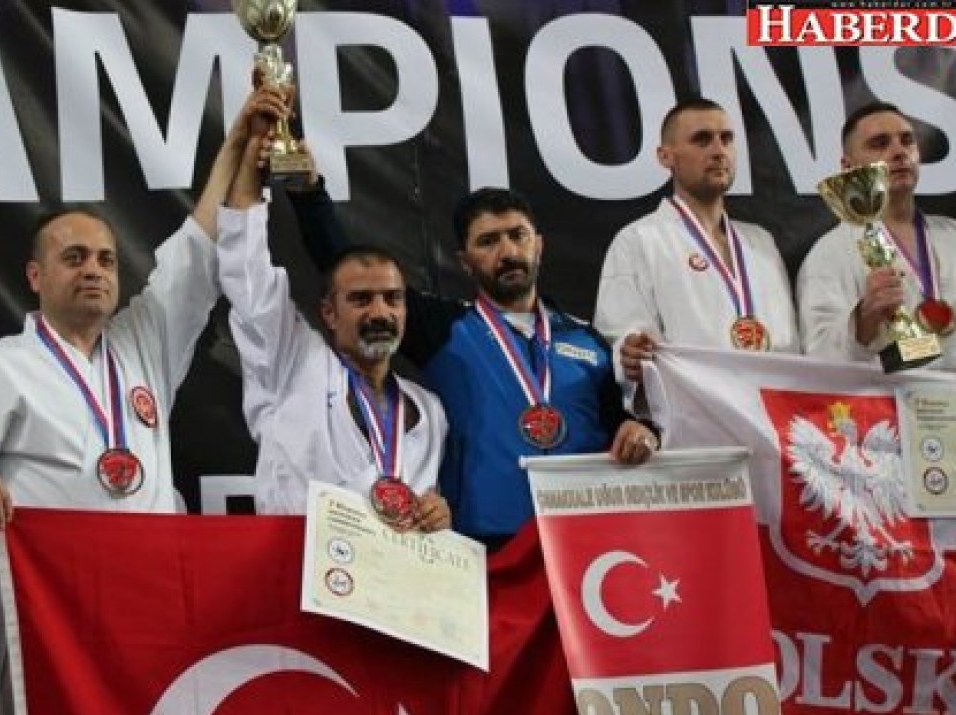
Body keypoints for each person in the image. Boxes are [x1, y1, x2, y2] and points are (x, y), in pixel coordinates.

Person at [0, 87, 285, 532]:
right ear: (36, 276)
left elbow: (196, 248)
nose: (93, 270)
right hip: (54, 573)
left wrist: (237, 144)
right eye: (74, 258)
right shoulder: (2, 367)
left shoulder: (144, 342)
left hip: (149, 567)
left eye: (105, 260)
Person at [287, 183, 657, 549]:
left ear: (539, 246)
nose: (508, 252)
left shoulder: (586, 340)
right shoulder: (443, 328)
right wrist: (308, 193)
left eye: (518, 236)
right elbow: (345, 263)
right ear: (464, 261)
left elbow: (620, 422)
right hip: (484, 547)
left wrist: (641, 431)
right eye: (488, 241)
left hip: (580, 543)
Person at [217, 120, 450, 530]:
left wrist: (438, 513)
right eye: (360, 299)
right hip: (299, 565)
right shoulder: (292, 366)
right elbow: (247, 271)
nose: (379, 312)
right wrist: (253, 156)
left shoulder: (429, 411)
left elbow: (430, 506)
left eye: (392, 298)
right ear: (329, 312)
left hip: (398, 570)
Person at [594, 97, 799, 403]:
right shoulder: (639, 240)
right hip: (694, 417)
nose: (719, 150)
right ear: (666, 156)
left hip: (773, 417)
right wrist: (630, 354)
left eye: (726, 139)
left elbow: (790, 346)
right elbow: (622, 337)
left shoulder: (761, 243)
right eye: (702, 140)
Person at [798, 100, 956, 370]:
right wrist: (863, 320)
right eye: (880, 144)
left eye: (907, 141)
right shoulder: (829, 254)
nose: (899, 152)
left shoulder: (951, 234)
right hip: (888, 395)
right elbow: (818, 357)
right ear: (848, 167)